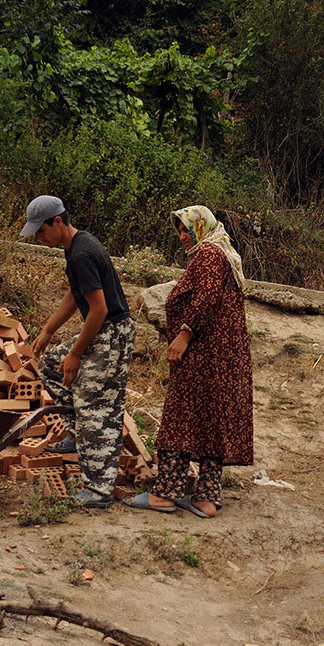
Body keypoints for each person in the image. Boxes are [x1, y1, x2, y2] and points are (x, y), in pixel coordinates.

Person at [124, 205, 252, 518]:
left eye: (186, 229)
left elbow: (205, 299)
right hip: (221, 358)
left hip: (203, 355)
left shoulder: (209, 254)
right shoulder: (222, 252)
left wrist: (183, 335)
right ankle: (206, 500)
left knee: (178, 419)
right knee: (211, 423)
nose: (182, 236)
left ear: (202, 227)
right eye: (179, 230)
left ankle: (165, 494)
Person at [22, 195, 134, 508]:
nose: (39, 237)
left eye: (40, 231)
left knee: (94, 404)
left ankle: (98, 491)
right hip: (102, 330)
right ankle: (79, 436)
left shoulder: (83, 253)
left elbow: (97, 310)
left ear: (58, 222)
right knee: (52, 366)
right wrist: (48, 331)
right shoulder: (75, 248)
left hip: (111, 334)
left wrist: (76, 355)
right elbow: (77, 295)